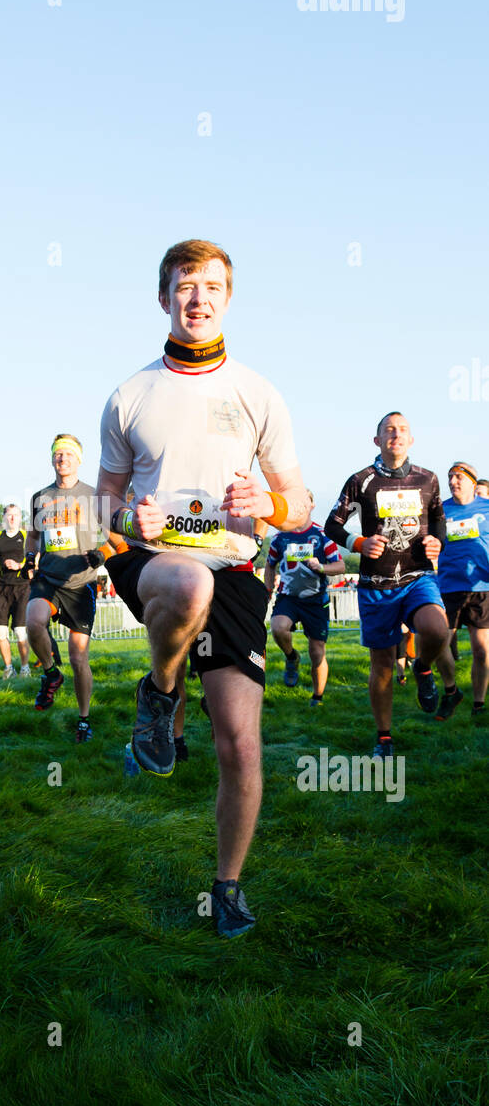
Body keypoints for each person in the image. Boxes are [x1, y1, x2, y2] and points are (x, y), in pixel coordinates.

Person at [98, 239, 310, 938]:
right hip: (156, 562)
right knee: (188, 582)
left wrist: (270, 506)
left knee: (239, 745)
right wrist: (130, 515)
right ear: (164, 298)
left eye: (212, 287)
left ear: (228, 299)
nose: (199, 299)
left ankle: (227, 885)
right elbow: (102, 505)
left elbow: (300, 504)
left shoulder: (257, 392)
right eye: (186, 286)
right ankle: (160, 689)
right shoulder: (130, 394)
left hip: (238, 568)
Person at [324, 412, 447, 758]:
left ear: (411, 439)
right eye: (389, 430)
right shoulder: (361, 480)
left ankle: (422, 667)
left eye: (403, 430)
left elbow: (438, 522)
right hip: (376, 584)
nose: (396, 434)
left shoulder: (428, 479)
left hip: (417, 576)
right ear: (376, 440)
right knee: (382, 665)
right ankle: (384, 738)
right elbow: (332, 525)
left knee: (437, 630)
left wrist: (438, 543)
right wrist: (358, 544)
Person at [26, 433, 118, 742]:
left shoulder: (95, 497)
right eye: (57, 453)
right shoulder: (40, 497)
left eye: (68, 453)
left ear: (79, 459)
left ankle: (83, 719)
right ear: (52, 458)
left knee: (79, 658)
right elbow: (34, 537)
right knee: (33, 622)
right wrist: (29, 558)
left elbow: (117, 541)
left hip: (81, 585)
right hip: (49, 578)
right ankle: (52, 673)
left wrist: (100, 554)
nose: (62, 458)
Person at [263, 494, 345, 706]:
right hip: (288, 597)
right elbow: (270, 564)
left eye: (303, 501)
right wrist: (268, 589)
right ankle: (291, 657)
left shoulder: (323, 535)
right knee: (278, 628)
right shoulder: (280, 537)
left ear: (312, 504)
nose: (299, 506)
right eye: (295, 502)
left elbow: (340, 566)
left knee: (317, 651)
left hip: (316, 599)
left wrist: (321, 567)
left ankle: (317, 697)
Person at [433, 461, 489, 720]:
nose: (453, 482)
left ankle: (478, 703)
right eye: (450, 477)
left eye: (458, 477)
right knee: (440, 643)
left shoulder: (487, 508)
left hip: (481, 587)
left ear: (472, 482)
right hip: (448, 586)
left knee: (481, 650)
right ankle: (450, 691)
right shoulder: (441, 511)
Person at [0, 503, 32, 678]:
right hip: (2, 588)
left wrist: (20, 565)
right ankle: (8, 668)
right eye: (9, 515)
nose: (12, 518)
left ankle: (25, 668)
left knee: (20, 631)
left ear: (21, 518)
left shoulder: (27, 536)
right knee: (1, 631)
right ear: (4, 518)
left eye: (16, 515)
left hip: (22, 587)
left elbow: (36, 558)